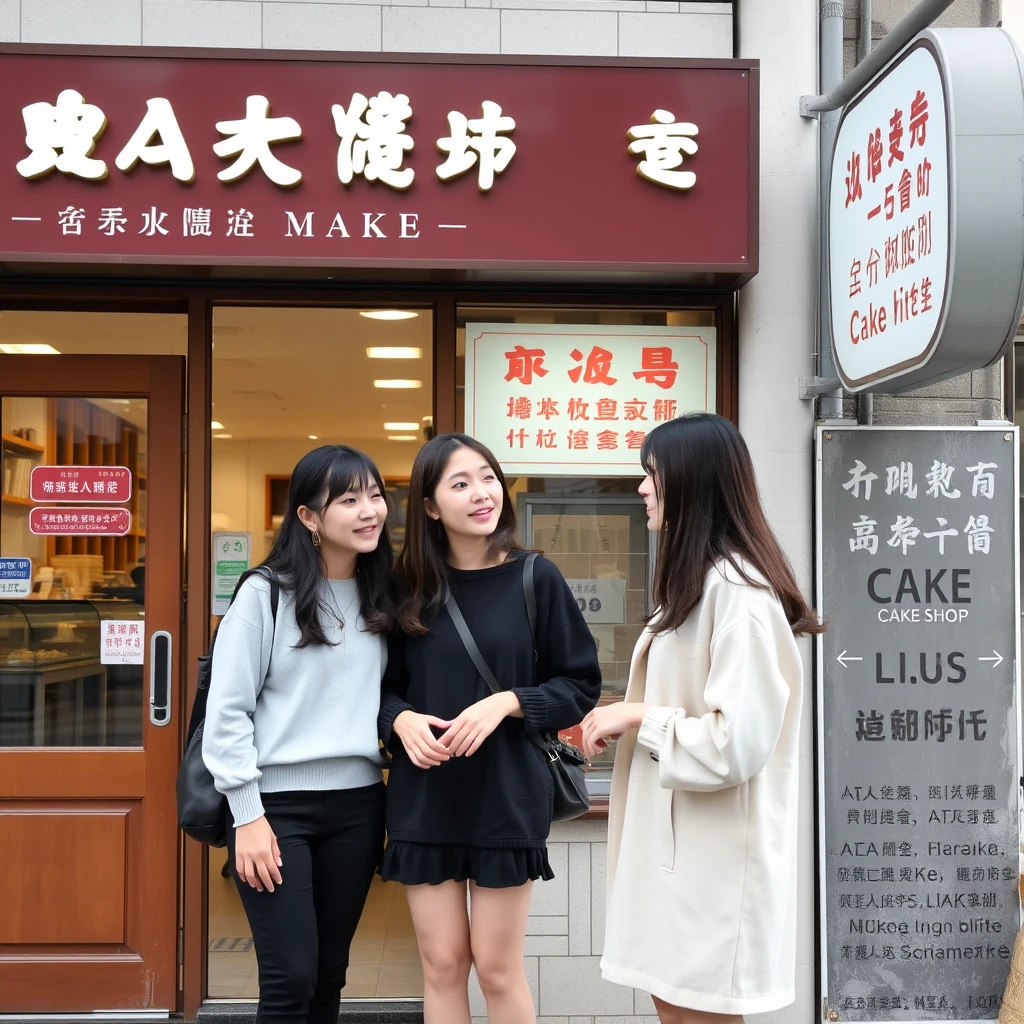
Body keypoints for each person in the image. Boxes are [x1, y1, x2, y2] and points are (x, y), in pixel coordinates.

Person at [582, 413, 823, 1024]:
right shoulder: (702, 586)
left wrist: (636, 716)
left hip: (713, 867)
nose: (641, 487)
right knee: (677, 1008)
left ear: (692, 482)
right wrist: (630, 717)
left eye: (652, 474)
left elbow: (735, 742)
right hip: (686, 856)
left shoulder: (737, 594)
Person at [379, 433, 601, 1024]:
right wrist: (399, 719)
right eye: (460, 483)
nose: (482, 494)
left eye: (487, 477)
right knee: (442, 965)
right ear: (430, 505)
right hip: (425, 797)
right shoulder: (409, 589)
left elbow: (579, 687)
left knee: (498, 970)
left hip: (506, 794)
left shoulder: (536, 577)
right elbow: (378, 691)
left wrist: (506, 702)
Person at [203, 445, 395, 1024]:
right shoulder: (265, 593)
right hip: (274, 808)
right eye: (349, 499)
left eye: (376, 495)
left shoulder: (384, 592)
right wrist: (247, 815)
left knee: (329, 975)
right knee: (291, 977)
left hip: (360, 805)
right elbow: (228, 711)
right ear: (309, 517)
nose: (370, 511)